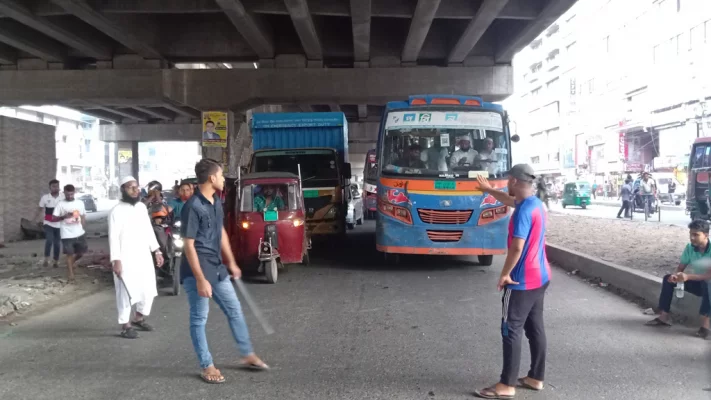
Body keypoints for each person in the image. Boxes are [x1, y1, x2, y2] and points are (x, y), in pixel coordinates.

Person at [180, 158, 268, 384]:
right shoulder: (193, 207)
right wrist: (200, 280)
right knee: (199, 318)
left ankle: (247, 354)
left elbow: (221, 233)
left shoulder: (216, 201)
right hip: (196, 270)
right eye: (220, 175)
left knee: (234, 310)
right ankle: (206, 365)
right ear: (211, 178)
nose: (222, 179)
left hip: (217, 267)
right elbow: (189, 245)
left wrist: (231, 262)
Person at [474, 164, 551, 399]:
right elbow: (507, 199)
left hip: (521, 280)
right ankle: (536, 378)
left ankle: (506, 384)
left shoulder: (523, 212)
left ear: (515, 181)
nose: (506, 183)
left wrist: (505, 273)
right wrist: (488, 189)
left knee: (511, 328)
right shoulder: (535, 204)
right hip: (541, 276)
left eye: (508, 179)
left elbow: (517, 246)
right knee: (534, 327)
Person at [109, 176, 164, 339]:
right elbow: (113, 237)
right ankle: (125, 325)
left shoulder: (141, 207)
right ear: (123, 190)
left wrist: (157, 251)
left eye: (136, 187)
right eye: (130, 187)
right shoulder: (116, 211)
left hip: (143, 256)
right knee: (125, 291)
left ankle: (138, 318)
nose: (135, 190)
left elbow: (148, 230)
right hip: (125, 257)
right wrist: (116, 260)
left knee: (148, 289)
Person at [646, 219, 711, 339]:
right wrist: (676, 276)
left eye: (696, 235)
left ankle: (705, 326)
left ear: (706, 235)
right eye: (690, 234)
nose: (692, 238)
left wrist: (688, 277)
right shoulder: (690, 248)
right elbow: (681, 268)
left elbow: (709, 275)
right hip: (698, 284)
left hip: (708, 284)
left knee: (708, 283)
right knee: (667, 279)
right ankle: (663, 317)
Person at [51, 185, 87, 282]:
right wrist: (63, 216)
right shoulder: (60, 204)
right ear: (64, 193)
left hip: (79, 232)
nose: (70, 196)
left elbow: (83, 216)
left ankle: (72, 262)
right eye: (68, 194)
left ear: (74, 192)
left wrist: (83, 227)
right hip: (66, 234)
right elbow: (53, 218)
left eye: (71, 194)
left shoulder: (80, 203)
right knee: (69, 254)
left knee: (81, 252)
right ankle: (71, 273)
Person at [36, 179, 62, 267]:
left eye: (57, 186)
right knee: (49, 240)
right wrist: (38, 218)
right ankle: (46, 259)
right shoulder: (45, 198)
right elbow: (40, 209)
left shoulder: (62, 198)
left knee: (57, 243)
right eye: (54, 186)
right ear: (50, 187)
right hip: (48, 223)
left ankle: (56, 260)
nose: (56, 188)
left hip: (59, 224)